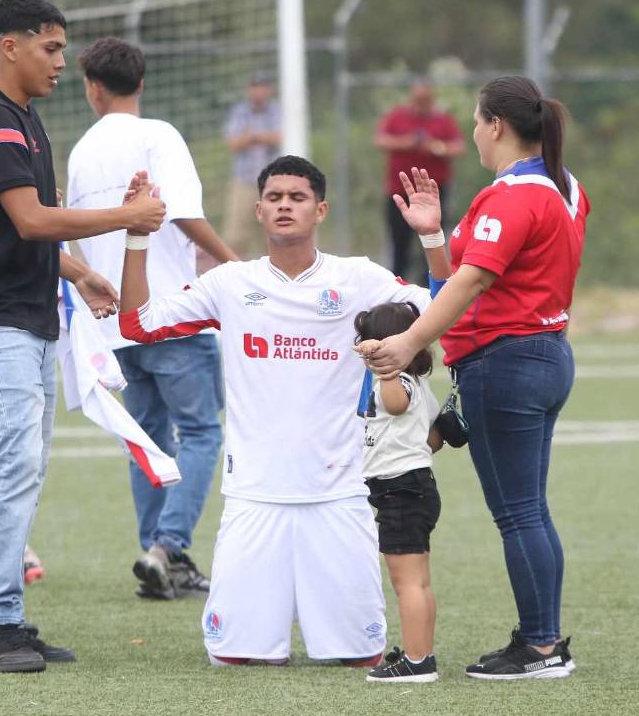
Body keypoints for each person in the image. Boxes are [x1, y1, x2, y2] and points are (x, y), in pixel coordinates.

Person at [119, 156, 449, 668]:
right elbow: (137, 324)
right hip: (254, 494)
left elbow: (446, 307)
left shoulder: (357, 277)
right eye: (274, 198)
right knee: (234, 658)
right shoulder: (230, 282)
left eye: (297, 197)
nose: (284, 206)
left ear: (320, 210)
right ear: (258, 210)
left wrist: (431, 237)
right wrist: (137, 236)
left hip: (339, 492)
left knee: (360, 656)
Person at [0, 0, 165, 672]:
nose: (62, 62)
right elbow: (32, 220)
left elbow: (26, 229)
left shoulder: (24, 118)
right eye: (51, 48)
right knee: (13, 468)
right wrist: (127, 217)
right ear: (9, 46)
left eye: (63, 49)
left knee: (25, 469)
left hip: (30, 317)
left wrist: (79, 274)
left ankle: (1, 613)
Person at [359, 75, 589, 680]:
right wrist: (433, 233)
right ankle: (542, 641)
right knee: (530, 509)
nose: (473, 132)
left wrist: (409, 341)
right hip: (543, 354)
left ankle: (541, 647)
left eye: (477, 121)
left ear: (497, 126)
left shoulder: (512, 195)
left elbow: (472, 282)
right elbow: (458, 276)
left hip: (507, 362)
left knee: (519, 513)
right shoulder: (564, 187)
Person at [68, 36, 238, 600]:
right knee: (201, 431)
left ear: (92, 88)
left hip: (113, 322)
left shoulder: (81, 151)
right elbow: (182, 214)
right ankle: (167, 547)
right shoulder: (157, 134)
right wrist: (235, 264)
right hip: (169, 312)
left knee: (148, 439)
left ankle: (157, 554)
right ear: (140, 83)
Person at [355, 302, 443, 684]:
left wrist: (386, 366)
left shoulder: (399, 381)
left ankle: (416, 661)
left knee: (407, 583)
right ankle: (421, 652)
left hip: (401, 490)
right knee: (418, 582)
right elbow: (433, 439)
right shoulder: (421, 386)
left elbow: (394, 404)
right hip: (413, 487)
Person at [374, 79, 465, 280]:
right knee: (399, 243)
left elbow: (458, 146)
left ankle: (430, 284)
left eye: (425, 100)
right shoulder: (397, 116)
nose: (420, 104)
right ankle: (398, 284)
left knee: (432, 242)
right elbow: (380, 139)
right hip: (400, 192)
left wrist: (435, 147)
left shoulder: (443, 120)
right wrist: (407, 142)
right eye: (417, 99)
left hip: (434, 193)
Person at [222, 72, 281, 257]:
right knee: (235, 235)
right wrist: (262, 137)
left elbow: (281, 137)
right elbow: (232, 143)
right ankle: (234, 270)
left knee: (274, 234)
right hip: (244, 181)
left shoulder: (278, 110)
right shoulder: (240, 112)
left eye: (262, 86)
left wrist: (253, 137)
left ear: (270, 90)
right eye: (254, 86)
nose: (258, 91)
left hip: (273, 183)